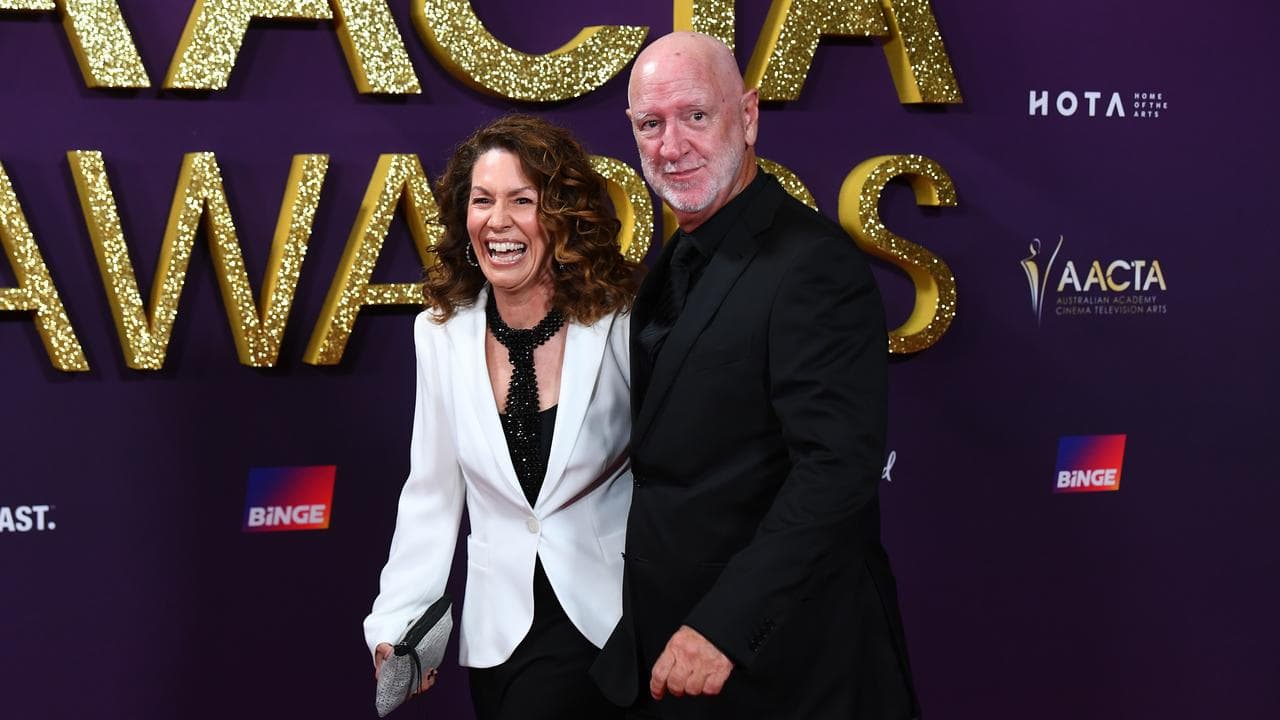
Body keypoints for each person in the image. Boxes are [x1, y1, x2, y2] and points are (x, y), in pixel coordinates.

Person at [590, 33, 920, 719]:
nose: (671, 145)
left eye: (696, 116)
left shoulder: (811, 264)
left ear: (748, 116)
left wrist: (725, 626)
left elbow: (835, 471)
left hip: (788, 666)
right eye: (651, 124)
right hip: (676, 658)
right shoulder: (676, 260)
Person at [364, 114, 637, 720]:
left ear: (562, 216)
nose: (499, 221)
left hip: (623, 625)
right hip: (504, 640)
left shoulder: (619, 320)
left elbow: (671, 470)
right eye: (482, 200)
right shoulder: (440, 334)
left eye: (522, 200)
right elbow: (433, 492)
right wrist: (399, 620)